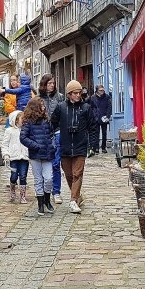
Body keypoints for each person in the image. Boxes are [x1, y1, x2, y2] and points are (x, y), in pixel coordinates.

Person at [50, 79, 95, 214]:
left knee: (77, 173)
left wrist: (92, 145)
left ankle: (73, 200)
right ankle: (77, 196)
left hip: (80, 145)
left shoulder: (86, 108)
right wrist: (52, 136)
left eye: (79, 92)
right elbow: (53, 122)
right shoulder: (61, 107)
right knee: (69, 174)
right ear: (69, 94)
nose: (77, 95)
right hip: (65, 145)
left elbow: (92, 127)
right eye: (74, 93)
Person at [19, 97, 55, 216]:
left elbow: (51, 134)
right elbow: (23, 137)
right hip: (35, 155)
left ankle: (47, 199)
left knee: (49, 178)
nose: (44, 107)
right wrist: (36, 146)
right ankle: (40, 203)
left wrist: (52, 145)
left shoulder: (46, 120)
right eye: (41, 105)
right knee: (38, 179)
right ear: (35, 107)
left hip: (48, 153)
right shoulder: (28, 122)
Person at [38, 75, 65, 204]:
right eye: (49, 83)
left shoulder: (59, 97)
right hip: (43, 134)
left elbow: (63, 113)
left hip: (57, 131)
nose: (52, 85)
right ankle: (44, 191)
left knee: (56, 163)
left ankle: (56, 191)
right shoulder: (38, 99)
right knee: (44, 163)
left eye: (53, 83)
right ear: (44, 84)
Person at [2, 110, 29, 204]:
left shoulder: (26, 130)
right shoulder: (9, 131)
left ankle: (22, 196)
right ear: (16, 120)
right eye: (22, 119)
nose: (24, 120)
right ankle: (12, 190)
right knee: (14, 176)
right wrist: (6, 154)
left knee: (23, 176)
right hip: (13, 157)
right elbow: (5, 144)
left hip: (24, 157)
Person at [91, 84, 113, 153]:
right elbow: (91, 108)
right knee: (96, 133)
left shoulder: (107, 97)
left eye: (103, 90)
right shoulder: (93, 97)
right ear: (97, 90)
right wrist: (94, 116)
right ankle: (96, 148)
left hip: (104, 117)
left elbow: (109, 107)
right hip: (96, 117)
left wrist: (108, 116)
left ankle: (103, 147)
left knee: (104, 133)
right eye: (100, 90)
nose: (102, 92)